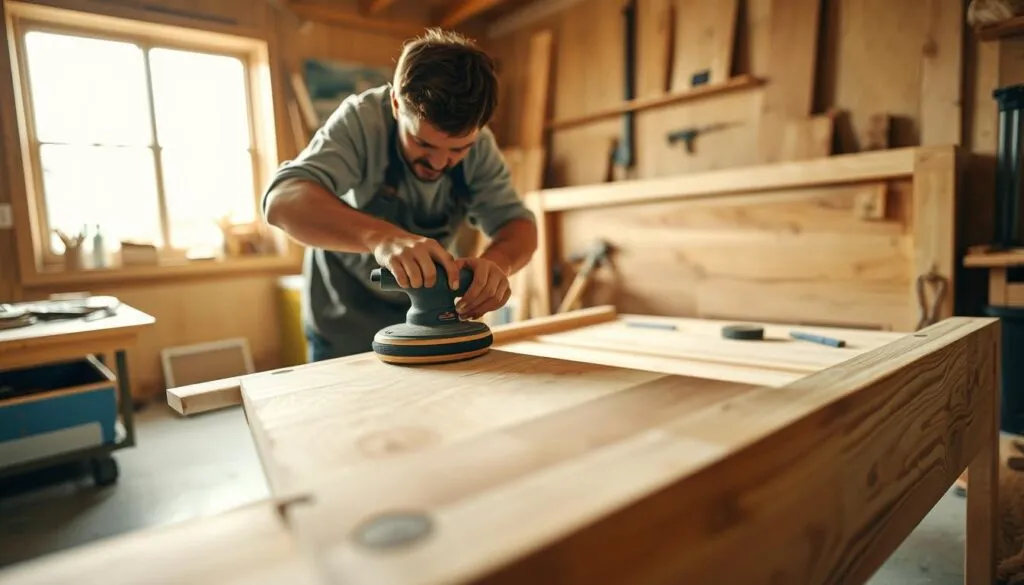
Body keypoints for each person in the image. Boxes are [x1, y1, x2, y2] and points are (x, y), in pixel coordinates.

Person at [261, 29, 538, 362]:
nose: (439, 163)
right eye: (423, 143)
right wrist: (381, 238)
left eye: (458, 149)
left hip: (429, 324)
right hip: (344, 322)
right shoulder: (363, 121)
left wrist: (498, 265)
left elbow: (518, 225)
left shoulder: (480, 146)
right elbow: (282, 200)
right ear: (395, 104)